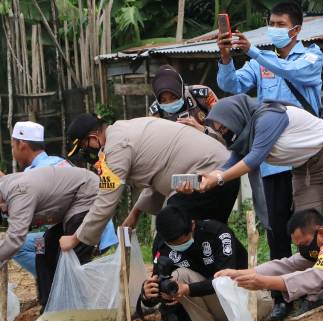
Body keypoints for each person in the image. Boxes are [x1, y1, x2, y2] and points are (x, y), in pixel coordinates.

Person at [217, 1, 323, 321]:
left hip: (304, 158)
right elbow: (231, 85)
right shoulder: (261, 60)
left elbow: (290, 72)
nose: (274, 28)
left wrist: (255, 53)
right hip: (273, 160)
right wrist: (225, 57)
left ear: (296, 28)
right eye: (271, 23)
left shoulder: (311, 56)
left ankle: (315, 291)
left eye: (280, 23)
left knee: (309, 226)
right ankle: (281, 296)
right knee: (277, 229)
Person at [190, 95, 323, 230]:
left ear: (236, 117)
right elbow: (232, 161)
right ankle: (317, 286)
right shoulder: (245, 136)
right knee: (306, 228)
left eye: (224, 127)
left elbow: (253, 159)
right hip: (305, 167)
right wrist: (209, 178)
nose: (225, 133)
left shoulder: (268, 117)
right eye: (220, 130)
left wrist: (220, 179)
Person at [58, 113, 238, 253]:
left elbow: (106, 199)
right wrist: (135, 213)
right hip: (222, 173)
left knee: (168, 238)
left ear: (94, 136)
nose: (86, 153)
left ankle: (169, 296)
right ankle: (221, 283)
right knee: (208, 239)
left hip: (207, 176)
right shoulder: (126, 129)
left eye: (84, 145)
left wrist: (76, 238)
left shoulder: (115, 149)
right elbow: (157, 173)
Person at [137, 205, 272, 321]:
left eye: (184, 240)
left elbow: (226, 279)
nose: (180, 246)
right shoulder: (162, 244)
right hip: (218, 306)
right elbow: (163, 285)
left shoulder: (218, 233)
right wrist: (148, 294)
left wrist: (189, 289)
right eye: (173, 244)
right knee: (177, 277)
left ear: (192, 225)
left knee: (192, 282)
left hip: (252, 301)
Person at [5, 167, 100, 321]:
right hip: (67, 212)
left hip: (86, 200)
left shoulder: (17, 191)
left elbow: (15, 236)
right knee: (42, 249)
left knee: (71, 257)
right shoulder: (14, 184)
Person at [7, 121, 118, 278]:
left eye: (13, 146)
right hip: (74, 229)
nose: (13, 151)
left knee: (22, 246)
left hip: (82, 231)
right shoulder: (54, 163)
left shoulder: (41, 172)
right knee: (38, 247)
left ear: (22, 145)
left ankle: (57, 282)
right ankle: (54, 280)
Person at [149, 64, 218, 136]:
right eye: (163, 100)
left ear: (181, 90)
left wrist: (202, 129)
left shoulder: (203, 94)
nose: (169, 103)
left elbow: (223, 132)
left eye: (174, 97)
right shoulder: (155, 112)